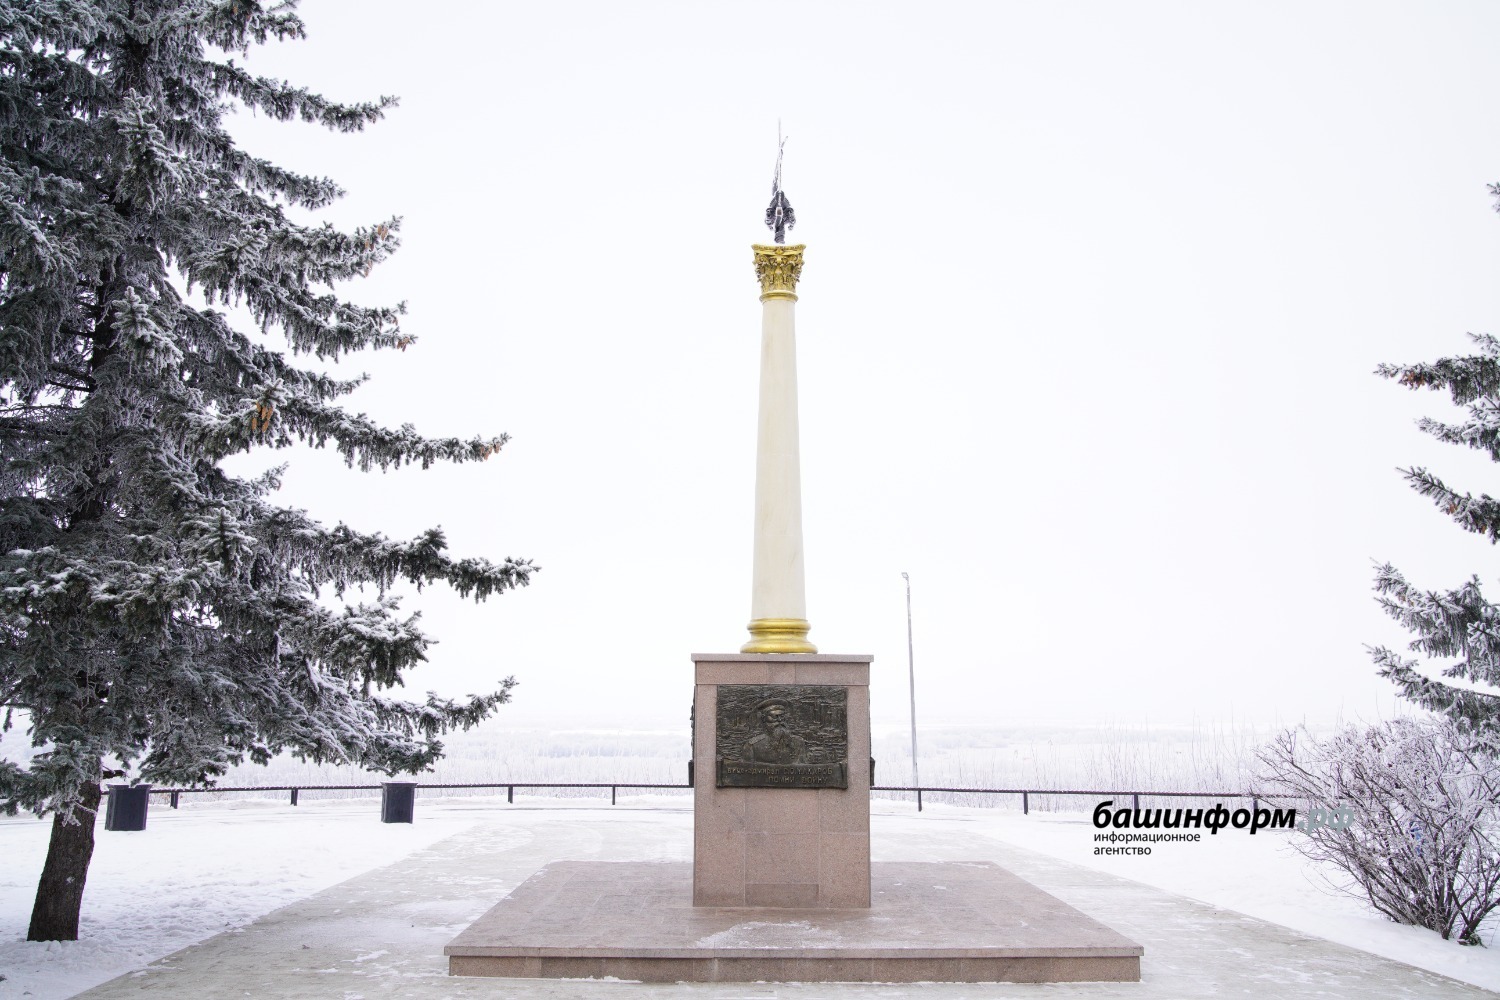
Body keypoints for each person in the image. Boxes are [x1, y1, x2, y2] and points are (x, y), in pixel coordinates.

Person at [743, 699, 807, 764]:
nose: (779, 720)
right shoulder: (753, 746)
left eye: (782, 716)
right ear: (763, 718)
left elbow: (804, 769)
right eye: (774, 717)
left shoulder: (798, 742)